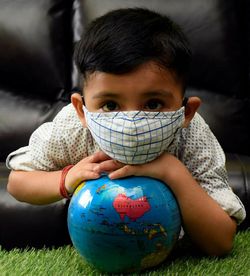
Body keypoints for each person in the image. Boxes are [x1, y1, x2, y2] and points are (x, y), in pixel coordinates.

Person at [6, 8, 245, 256]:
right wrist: (67, 178)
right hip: (99, 246)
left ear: (186, 113)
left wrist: (173, 172)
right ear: (81, 109)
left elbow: (221, 243)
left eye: (153, 104)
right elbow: (18, 183)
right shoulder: (72, 127)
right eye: (110, 105)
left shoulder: (193, 135)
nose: (131, 123)